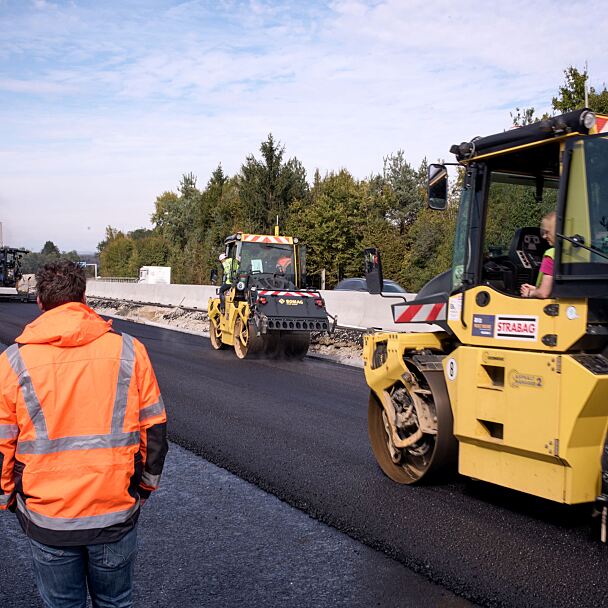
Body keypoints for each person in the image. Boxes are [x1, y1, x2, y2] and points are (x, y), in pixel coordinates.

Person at [0, 260, 168, 608]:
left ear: (40, 302)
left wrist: (6, 497)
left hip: (49, 518)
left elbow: (3, 442)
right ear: (84, 297)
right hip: (114, 513)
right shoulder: (129, 351)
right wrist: (145, 486)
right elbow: (153, 431)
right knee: (115, 602)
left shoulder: (13, 362)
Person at [520, 211, 556, 299]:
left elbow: (544, 293)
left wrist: (529, 293)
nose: (544, 236)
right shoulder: (569, 254)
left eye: (547, 232)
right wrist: (536, 289)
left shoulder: (550, 255)